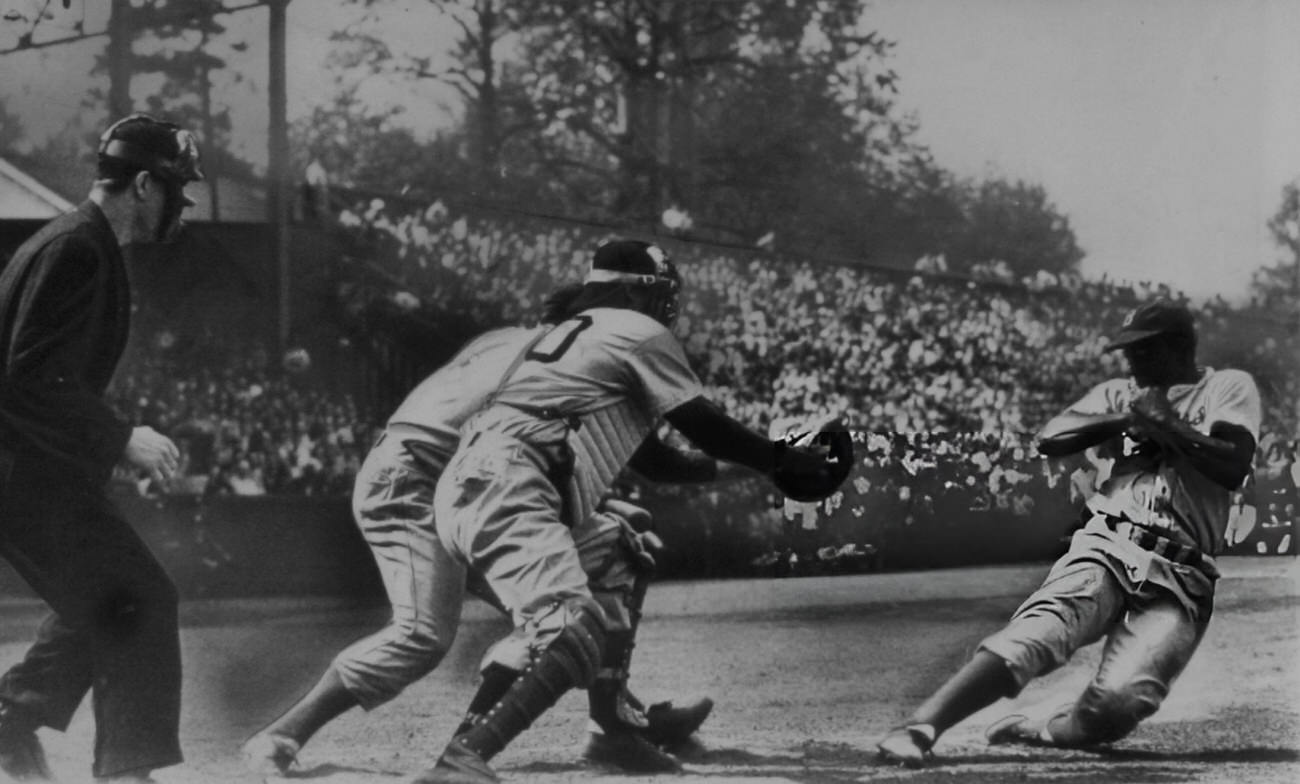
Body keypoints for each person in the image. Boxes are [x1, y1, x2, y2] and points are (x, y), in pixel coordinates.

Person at [241, 283, 719, 777]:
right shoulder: (573, 363)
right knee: (421, 635)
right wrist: (765, 462)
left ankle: (614, 726)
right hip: (414, 479)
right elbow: (653, 463)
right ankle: (281, 736)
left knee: (616, 548)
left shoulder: (509, 340)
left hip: (465, 477)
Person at [414, 239, 841, 783]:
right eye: (660, 293)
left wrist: (763, 464)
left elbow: (659, 462)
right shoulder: (635, 331)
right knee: (572, 628)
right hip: (511, 488)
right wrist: (781, 459)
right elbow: (702, 423)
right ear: (632, 290)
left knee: (620, 555)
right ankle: (460, 759)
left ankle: (612, 728)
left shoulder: (573, 341)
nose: (667, 307)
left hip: (483, 488)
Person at [876, 299, 1260, 766]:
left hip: (1182, 575)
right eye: (1129, 351)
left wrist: (1170, 427)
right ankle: (920, 726)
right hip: (1108, 542)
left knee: (1119, 705)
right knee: (1038, 633)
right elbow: (1050, 438)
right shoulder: (1122, 394)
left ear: (1178, 346)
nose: (1131, 361)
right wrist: (1127, 420)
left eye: (1143, 350)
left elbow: (1232, 463)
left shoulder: (1226, 386)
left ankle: (1041, 725)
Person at [0, 114, 203, 782]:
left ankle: (8, 725)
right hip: (17, 473)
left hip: (29, 468)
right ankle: (125, 772)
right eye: (179, 188)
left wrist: (111, 451)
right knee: (139, 597)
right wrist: (122, 439)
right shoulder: (79, 248)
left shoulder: (78, 243)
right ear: (145, 184)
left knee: (109, 597)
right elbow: (28, 378)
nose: (185, 203)